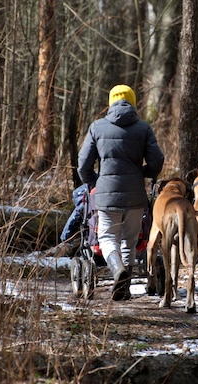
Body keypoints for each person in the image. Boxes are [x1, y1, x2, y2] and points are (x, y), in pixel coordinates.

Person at [77, 85, 164, 301]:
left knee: (106, 237)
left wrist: (95, 181)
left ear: (110, 102)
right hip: (135, 195)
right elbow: (157, 161)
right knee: (130, 240)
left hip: (106, 195)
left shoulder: (97, 127)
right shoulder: (143, 128)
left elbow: (82, 165)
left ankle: (117, 271)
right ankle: (124, 287)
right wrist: (143, 173)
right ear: (132, 102)